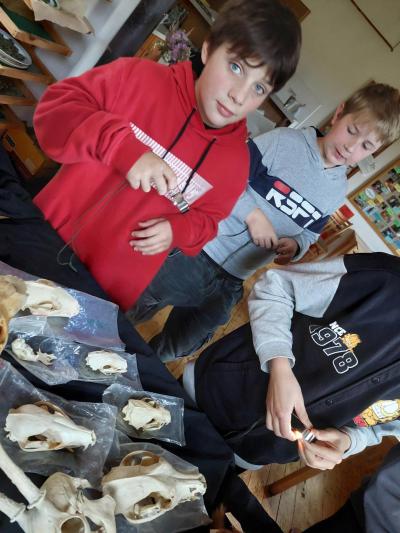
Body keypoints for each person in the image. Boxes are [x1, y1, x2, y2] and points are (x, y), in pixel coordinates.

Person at [32, 0, 301, 311]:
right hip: (41, 241)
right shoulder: (138, 78)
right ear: (208, 50)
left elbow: (208, 222)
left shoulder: (236, 165)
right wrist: (121, 148)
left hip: (102, 295)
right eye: (236, 67)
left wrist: (178, 230)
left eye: (259, 89)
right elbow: (56, 109)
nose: (239, 96)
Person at [129, 82, 400, 361]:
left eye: (366, 146)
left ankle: (134, 370)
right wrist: (253, 215)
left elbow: (309, 234)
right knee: (133, 307)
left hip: (234, 279)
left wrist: (295, 246)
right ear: (339, 114)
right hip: (198, 251)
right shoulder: (283, 141)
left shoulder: (337, 189)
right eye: (352, 130)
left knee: (178, 346)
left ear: (374, 151)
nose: (351, 147)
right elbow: (224, 176)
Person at [181, 252, 400, 469]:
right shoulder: (385, 278)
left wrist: (348, 441)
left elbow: (381, 428)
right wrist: (279, 364)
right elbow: (276, 286)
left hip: (257, 450)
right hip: (211, 391)